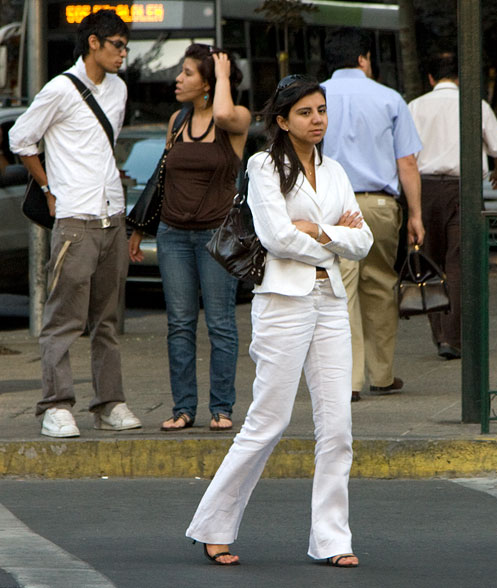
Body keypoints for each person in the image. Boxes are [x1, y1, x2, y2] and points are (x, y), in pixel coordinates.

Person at [185, 75, 373, 567]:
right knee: (269, 421)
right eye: (307, 112)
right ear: (284, 121)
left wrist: (316, 229)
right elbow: (276, 238)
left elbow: (364, 241)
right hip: (282, 302)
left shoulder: (334, 171)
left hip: (330, 300)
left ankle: (333, 539)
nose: (318, 120)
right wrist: (333, 236)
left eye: (322, 111)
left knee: (338, 428)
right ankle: (214, 526)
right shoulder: (263, 165)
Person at [9, 9, 141, 437]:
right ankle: (56, 404)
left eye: (126, 45)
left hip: (112, 215)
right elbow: (20, 138)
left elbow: (103, 147)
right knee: (64, 318)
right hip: (74, 218)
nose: (123, 53)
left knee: (107, 319)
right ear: (93, 44)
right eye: (117, 45)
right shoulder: (60, 89)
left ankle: (109, 402)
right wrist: (49, 187)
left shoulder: (119, 90)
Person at [127, 44, 250, 433]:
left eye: (187, 73)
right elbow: (161, 181)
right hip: (173, 235)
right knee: (179, 324)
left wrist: (225, 74)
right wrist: (140, 229)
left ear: (208, 83)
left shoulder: (235, 121)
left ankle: (221, 408)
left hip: (216, 236)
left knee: (220, 324)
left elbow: (226, 111)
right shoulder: (177, 120)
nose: (178, 79)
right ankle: (183, 408)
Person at [321, 27, 425, 402]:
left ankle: (348, 381)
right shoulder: (390, 98)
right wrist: (415, 215)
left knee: (342, 290)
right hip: (380, 205)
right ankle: (382, 375)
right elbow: (407, 162)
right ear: (364, 59)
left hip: (331, 205)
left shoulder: (314, 98)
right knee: (381, 286)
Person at [407, 51, 497, 360]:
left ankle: (439, 334)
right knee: (459, 262)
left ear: (430, 78)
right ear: (460, 77)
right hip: (463, 189)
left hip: (423, 189)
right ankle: (454, 338)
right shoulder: (475, 106)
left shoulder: (415, 106)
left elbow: (405, 157)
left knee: (430, 262)